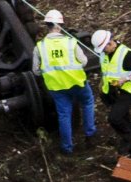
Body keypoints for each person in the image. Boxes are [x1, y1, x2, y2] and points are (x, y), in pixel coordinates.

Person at [32, 11, 93, 156]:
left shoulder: (39, 47)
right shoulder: (71, 42)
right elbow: (84, 61)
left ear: (47, 26)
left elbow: (35, 71)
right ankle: (90, 136)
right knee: (87, 102)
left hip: (57, 87)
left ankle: (67, 148)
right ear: (61, 25)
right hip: (77, 83)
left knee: (64, 114)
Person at [92, 28, 131, 161]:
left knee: (114, 118)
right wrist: (102, 88)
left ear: (110, 43)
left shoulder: (126, 54)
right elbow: (106, 72)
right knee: (125, 121)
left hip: (127, 91)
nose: (103, 51)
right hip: (112, 93)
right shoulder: (104, 55)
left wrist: (125, 79)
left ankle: (128, 139)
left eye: (104, 48)